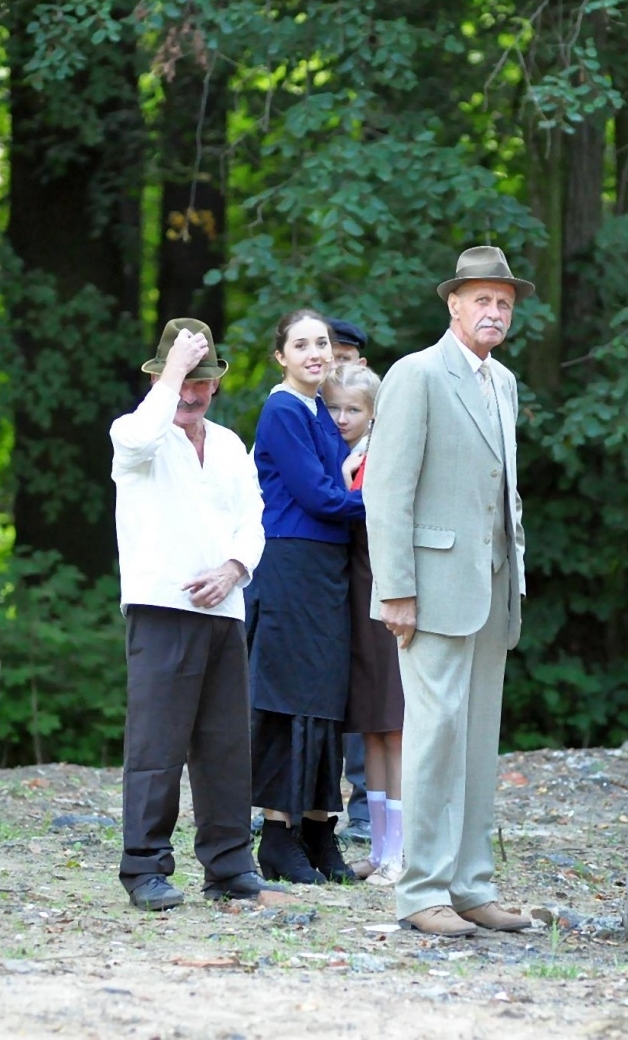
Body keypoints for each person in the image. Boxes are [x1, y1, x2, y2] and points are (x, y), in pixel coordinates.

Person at [363, 246, 531, 937]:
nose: (494, 312)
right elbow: (387, 487)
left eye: (504, 303)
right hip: (429, 589)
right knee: (432, 737)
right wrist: (396, 588)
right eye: (482, 300)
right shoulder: (417, 374)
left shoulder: (505, 381)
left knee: (476, 741)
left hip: (492, 586)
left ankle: (470, 883)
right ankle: (422, 888)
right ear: (454, 304)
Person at [109, 319, 273, 910]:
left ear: (217, 387)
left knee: (227, 743)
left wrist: (233, 568)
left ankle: (229, 867)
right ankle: (144, 868)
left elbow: (253, 516)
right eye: (183, 381)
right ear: (160, 378)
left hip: (226, 606)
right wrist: (172, 368)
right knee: (157, 744)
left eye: (202, 382)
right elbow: (134, 440)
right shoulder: (138, 434)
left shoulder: (228, 444)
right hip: (160, 604)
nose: (192, 394)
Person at [248, 309, 365, 885]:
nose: (315, 352)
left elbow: (343, 480)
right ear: (282, 356)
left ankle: (320, 831)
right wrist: (384, 506)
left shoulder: (321, 409)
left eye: (322, 343)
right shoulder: (283, 409)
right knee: (289, 697)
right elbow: (320, 496)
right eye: (302, 344)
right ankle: (277, 835)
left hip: (328, 566)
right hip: (291, 559)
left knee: (325, 699)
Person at [324, 364, 407, 884]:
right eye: (333, 407)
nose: (341, 418)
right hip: (354, 603)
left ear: (374, 414)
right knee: (372, 731)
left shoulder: (381, 459)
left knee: (396, 729)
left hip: (387, 602)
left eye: (352, 409)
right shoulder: (339, 457)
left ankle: (401, 853)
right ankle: (378, 848)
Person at [326, 315, 373, 844]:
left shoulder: (375, 419)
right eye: (322, 352)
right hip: (313, 571)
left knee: (366, 686)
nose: (333, 362)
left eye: (341, 353)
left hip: (364, 572)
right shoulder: (299, 414)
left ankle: (364, 806)